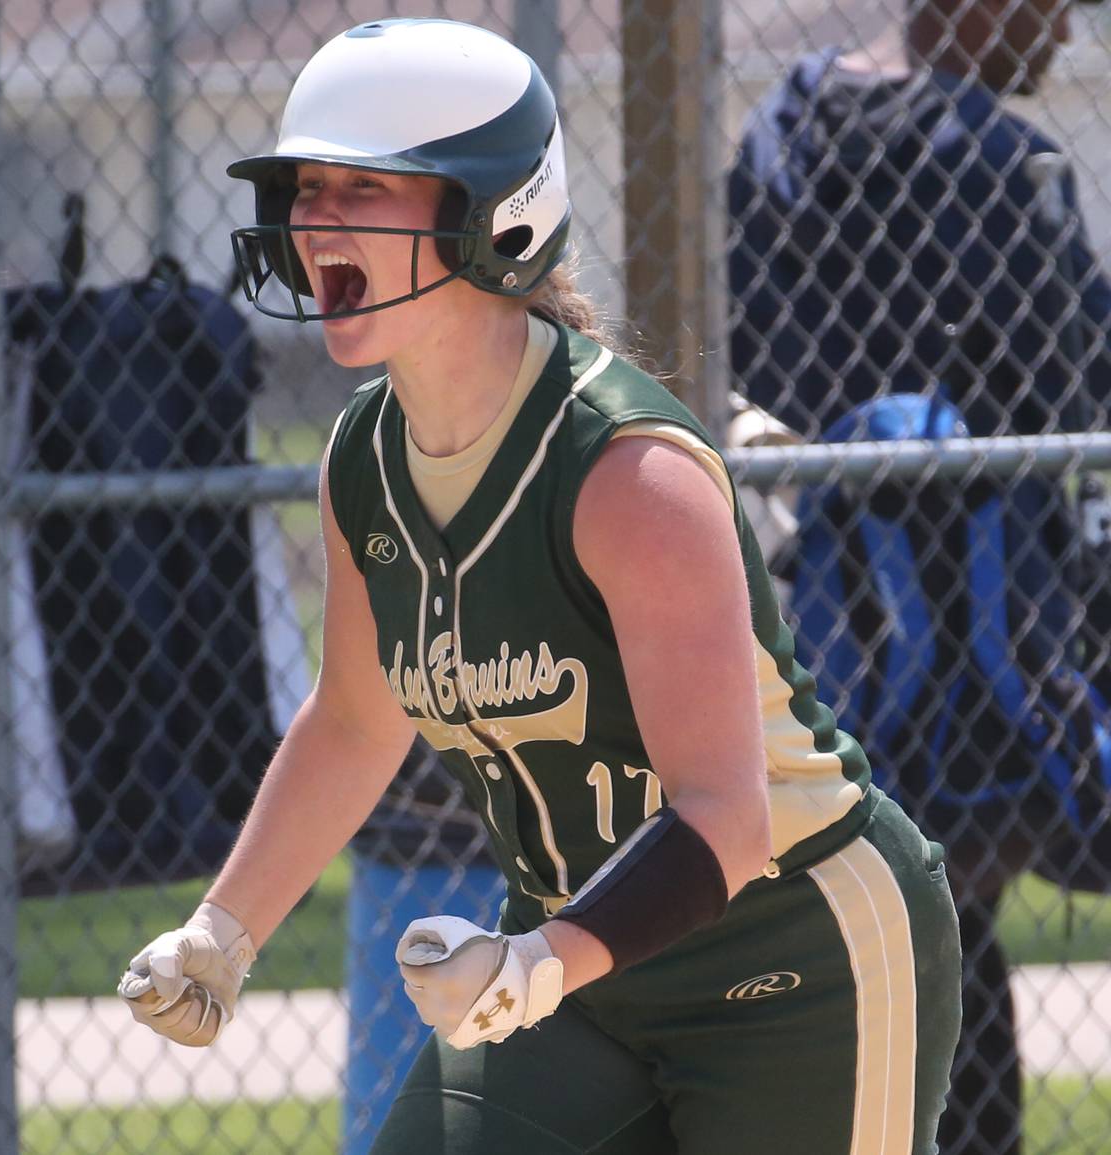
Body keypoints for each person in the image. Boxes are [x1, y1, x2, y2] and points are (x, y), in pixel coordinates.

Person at [119, 18, 962, 1154]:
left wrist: (532, 968)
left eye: (363, 188)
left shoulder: (629, 474)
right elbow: (356, 723)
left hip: (794, 957)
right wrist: (224, 933)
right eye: (306, 188)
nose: (315, 220)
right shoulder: (365, 457)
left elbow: (725, 819)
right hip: (576, 953)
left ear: (492, 215)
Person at [727, 3, 1111, 1153]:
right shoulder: (998, 161)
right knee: (948, 911)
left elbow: (738, 355)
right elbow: (1080, 391)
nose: (1060, 41)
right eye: (1044, 12)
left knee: (897, 916)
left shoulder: (777, 142)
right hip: (996, 618)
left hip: (826, 616)